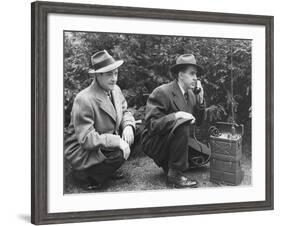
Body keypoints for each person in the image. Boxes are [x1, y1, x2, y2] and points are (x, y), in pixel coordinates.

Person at [65, 50, 135, 189]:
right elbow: (86, 139)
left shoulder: (116, 90)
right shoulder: (84, 99)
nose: (114, 78)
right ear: (98, 75)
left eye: (116, 73)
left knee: (134, 135)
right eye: (109, 74)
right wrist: (117, 141)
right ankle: (85, 176)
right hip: (83, 150)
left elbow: (125, 111)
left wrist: (128, 126)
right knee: (119, 154)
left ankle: (105, 170)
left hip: (103, 142)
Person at [142, 54, 210, 188]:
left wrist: (201, 100)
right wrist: (176, 115)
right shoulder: (162, 92)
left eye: (196, 74)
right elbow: (152, 126)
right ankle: (174, 174)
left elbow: (200, 122)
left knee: (205, 154)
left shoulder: (191, 95)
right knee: (182, 123)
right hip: (155, 141)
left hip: (176, 140)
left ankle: (174, 164)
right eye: (192, 74)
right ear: (180, 75)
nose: (195, 78)